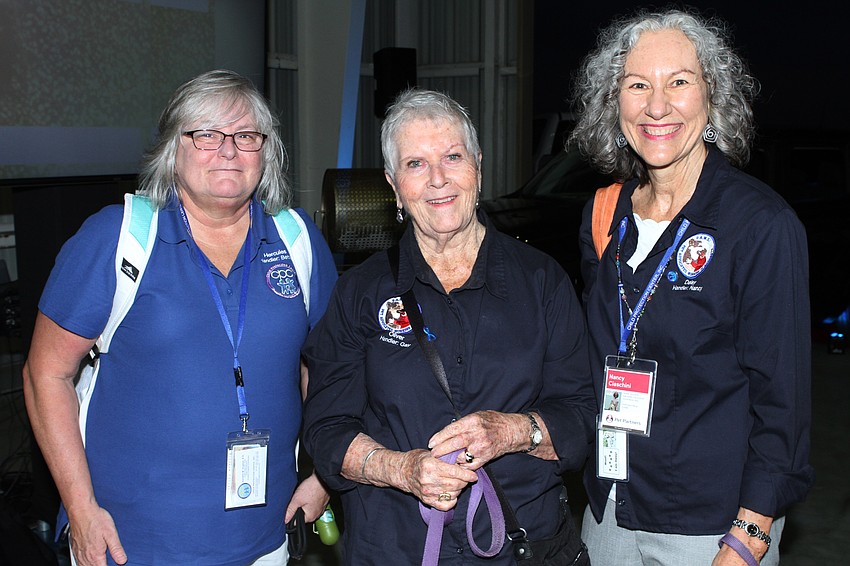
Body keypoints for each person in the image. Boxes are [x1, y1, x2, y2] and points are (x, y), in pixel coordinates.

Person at [22, 69, 338, 566]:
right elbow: (46, 373)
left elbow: (328, 373)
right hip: (134, 544)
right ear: (174, 148)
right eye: (206, 134)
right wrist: (82, 511)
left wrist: (322, 478)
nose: (228, 150)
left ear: (267, 152)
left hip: (267, 539)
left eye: (246, 136)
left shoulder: (299, 244)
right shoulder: (115, 239)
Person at [301, 88, 597, 564]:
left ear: (478, 166)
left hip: (522, 546)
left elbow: (582, 417)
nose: (438, 179)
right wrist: (401, 469)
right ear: (393, 184)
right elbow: (327, 428)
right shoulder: (360, 292)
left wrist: (514, 432)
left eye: (452, 157)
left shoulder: (542, 281)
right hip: (395, 547)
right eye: (416, 164)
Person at [569, 9, 814, 566]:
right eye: (638, 86)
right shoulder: (604, 214)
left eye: (679, 82)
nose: (657, 106)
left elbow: (784, 403)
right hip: (609, 508)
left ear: (712, 97)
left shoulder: (760, 225)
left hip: (711, 526)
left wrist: (749, 535)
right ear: (616, 104)